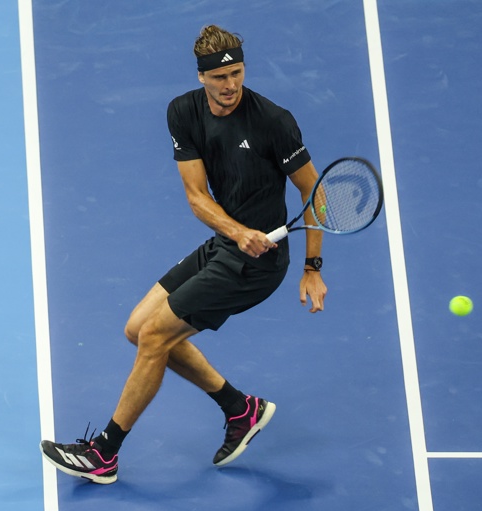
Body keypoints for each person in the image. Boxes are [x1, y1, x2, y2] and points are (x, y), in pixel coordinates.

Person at [41, 25, 326, 484]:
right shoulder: (183, 113)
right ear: (201, 78)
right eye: (220, 78)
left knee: (155, 336)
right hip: (227, 243)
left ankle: (105, 453)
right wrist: (237, 231)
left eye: (236, 73)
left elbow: (315, 193)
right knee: (138, 329)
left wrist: (312, 268)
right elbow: (197, 197)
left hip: (260, 263)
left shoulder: (274, 121)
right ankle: (240, 408)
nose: (230, 85)